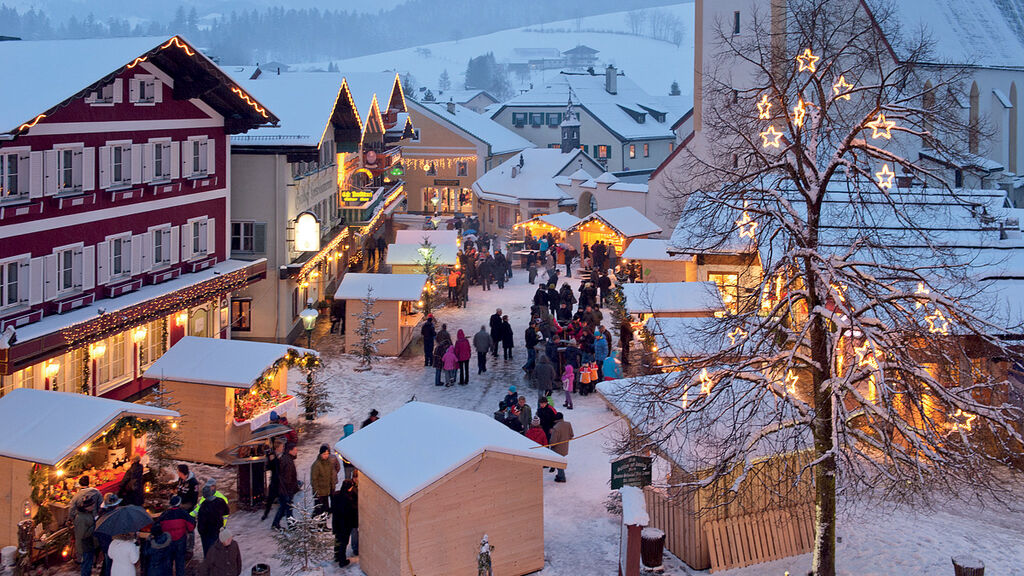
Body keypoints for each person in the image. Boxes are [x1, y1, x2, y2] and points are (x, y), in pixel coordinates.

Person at [158, 495, 194, 576]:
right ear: (179, 503)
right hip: (180, 541)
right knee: (180, 563)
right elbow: (191, 527)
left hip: (168, 542)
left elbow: (158, 528)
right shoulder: (183, 513)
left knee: (168, 563)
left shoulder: (164, 514)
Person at [271, 443, 300, 530]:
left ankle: (276, 524)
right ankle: (291, 526)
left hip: (284, 489)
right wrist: (290, 489)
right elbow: (287, 478)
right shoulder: (287, 461)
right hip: (285, 489)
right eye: (295, 449)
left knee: (284, 507)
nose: (296, 451)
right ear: (290, 451)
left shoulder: (287, 459)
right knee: (288, 508)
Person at [331, 479, 358, 568]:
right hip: (345, 524)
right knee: (344, 542)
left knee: (338, 540)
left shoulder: (337, 495)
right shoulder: (348, 499)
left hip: (337, 523)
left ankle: (337, 556)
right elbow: (352, 511)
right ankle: (342, 561)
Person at [197, 485, 229, 555]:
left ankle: (210, 564)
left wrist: (201, 532)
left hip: (207, 532)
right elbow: (226, 511)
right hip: (219, 529)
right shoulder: (220, 501)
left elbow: (201, 522)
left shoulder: (203, 506)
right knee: (220, 550)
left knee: (209, 552)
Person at [311, 445, 337, 516]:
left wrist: (332, 487)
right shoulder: (316, 465)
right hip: (320, 492)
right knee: (319, 511)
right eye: (324, 454)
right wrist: (317, 492)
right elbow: (314, 480)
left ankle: (324, 525)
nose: (326, 456)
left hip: (326, 491)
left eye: (327, 454)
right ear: (320, 454)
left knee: (325, 510)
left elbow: (331, 476)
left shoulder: (329, 463)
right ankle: (317, 524)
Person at [73, 500, 97, 576]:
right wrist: (94, 527)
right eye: (92, 506)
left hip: (89, 543)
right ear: (86, 507)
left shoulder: (87, 514)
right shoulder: (80, 518)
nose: (93, 507)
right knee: (86, 564)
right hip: (85, 545)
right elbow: (81, 534)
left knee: (88, 564)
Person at [549, 413, 574, 483]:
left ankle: (562, 477)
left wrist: (550, 442)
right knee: (560, 461)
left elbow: (553, 441)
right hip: (565, 447)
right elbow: (571, 435)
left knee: (559, 463)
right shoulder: (568, 424)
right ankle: (560, 475)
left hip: (557, 449)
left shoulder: (556, 428)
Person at [261, 442, 283, 521]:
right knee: (270, 499)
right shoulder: (272, 455)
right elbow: (269, 467)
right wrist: (271, 460)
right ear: (277, 448)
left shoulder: (280, 455)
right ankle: (266, 513)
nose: (282, 448)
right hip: (275, 481)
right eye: (281, 446)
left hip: (280, 481)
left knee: (284, 499)